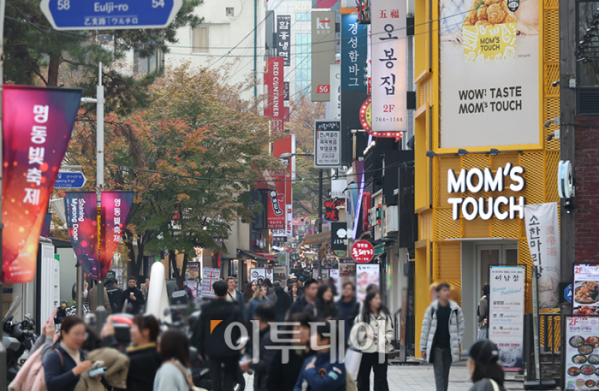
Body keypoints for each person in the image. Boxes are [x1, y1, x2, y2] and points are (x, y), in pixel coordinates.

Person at [191, 280, 244, 391]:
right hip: (230, 348)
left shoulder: (206, 309)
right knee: (229, 376)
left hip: (212, 349)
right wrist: (240, 345)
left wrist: (200, 350)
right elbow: (241, 328)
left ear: (214, 292)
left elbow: (200, 331)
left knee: (215, 376)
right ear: (226, 292)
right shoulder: (234, 309)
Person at [420, 282, 465, 391]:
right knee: (439, 373)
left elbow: (461, 326)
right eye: (444, 290)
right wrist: (423, 348)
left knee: (445, 374)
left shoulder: (455, 309)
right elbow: (425, 329)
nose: (447, 293)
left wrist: (457, 341)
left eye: (448, 290)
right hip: (436, 347)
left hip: (448, 347)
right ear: (438, 293)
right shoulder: (432, 309)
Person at [101, 314, 162, 391]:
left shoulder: (151, 357)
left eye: (134, 327)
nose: (131, 330)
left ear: (146, 331)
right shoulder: (136, 351)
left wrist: (108, 337)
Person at [43, 316, 97, 391]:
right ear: (64, 333)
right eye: (77, 334)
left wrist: (96, 374)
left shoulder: (83, 354)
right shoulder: (55, 356)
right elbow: (51, 385)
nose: (80, 338)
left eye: (83, 334)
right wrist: (75, 371)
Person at [354, 290, 394, 391]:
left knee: (381, 379)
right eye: (376, 298)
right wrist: (367, 334)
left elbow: (390, 332)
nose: (379, 301)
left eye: (379, 298)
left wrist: (385, 339)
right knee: (363, 379)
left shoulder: (385, 316)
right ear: (369, 301)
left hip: (381, 351)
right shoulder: (361, 317)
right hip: (365, 351)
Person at [266, 312, 313, 391]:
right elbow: (271, 382)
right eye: (297, 328)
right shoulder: (282, 352)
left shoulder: (316, 352)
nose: (301, 331)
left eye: (305, 328)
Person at [293, 323, 346, 391]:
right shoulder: (309, 360)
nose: (310, 338)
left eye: (314, 335)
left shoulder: (337, 364)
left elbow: (323, 386)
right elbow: (298, 386)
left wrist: (310, 371)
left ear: (325, 340)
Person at [240, 303, 278, 391]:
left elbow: (268, 364)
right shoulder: (274, 332)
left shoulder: (269, 337)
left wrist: (249, 364)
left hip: (268, 384)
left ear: (258, 319)